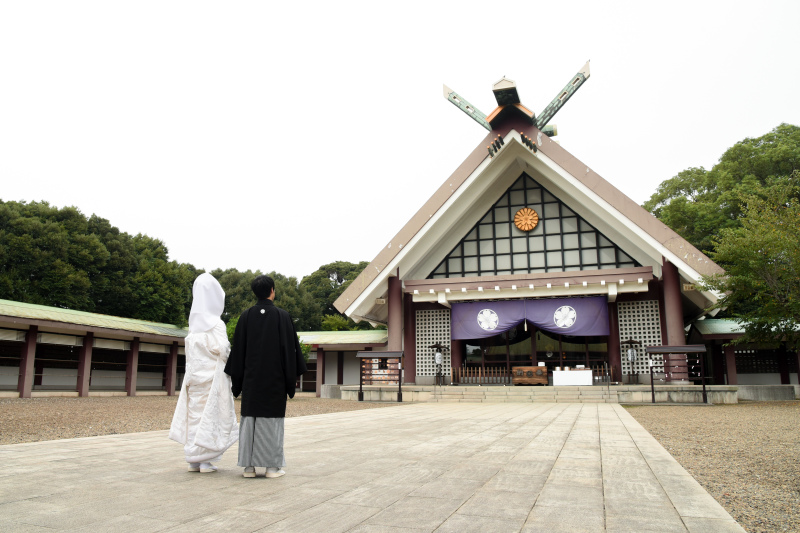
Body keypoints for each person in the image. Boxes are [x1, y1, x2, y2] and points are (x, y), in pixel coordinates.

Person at [225, 275, 307, 478]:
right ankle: (271, 467)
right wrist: (290, 379)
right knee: (272, 422)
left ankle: (249, 467)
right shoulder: (282, 316)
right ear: (272, 290)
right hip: (275, 381)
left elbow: (238, 350)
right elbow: (289, 350)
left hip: (251, 381)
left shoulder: (245, 316)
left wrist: (238, 382)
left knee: (249, 421)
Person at [169, 273, 239, 473]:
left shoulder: (193, 325)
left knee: (194, 416)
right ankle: (205, 461)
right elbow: (224, 350)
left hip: (194, 378)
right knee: (210, 416)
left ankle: (193, 459)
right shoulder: (216, 324)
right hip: (212, 378)